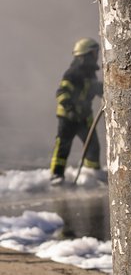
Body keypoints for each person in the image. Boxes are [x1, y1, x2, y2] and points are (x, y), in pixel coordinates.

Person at [50, 38, 103, 185]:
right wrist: (70, 108)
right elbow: (61, 92)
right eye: (94, 52)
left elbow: (93, 88)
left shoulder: (90, 74)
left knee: (93, 145)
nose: (96, 55)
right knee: (63, 146)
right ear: (85, 55)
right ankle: (56, 175)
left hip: (84, 117)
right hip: (68, 117)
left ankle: (91, 174)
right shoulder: (72, 73)